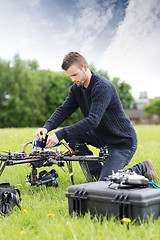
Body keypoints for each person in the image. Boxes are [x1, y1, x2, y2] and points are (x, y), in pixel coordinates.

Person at [35, 51, 158, 182]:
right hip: (101, 137)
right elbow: (64, 110)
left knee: (108, 182)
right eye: (70, 76)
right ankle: (95, 173)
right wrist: (46, 127)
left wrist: (61, 133)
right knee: (72, 135)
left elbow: (93, 120)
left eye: (75, 75)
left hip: (121, 141)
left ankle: (143, 168)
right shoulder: (77, 88)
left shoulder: (102, 87)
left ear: (85, 67)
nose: (73, 79)